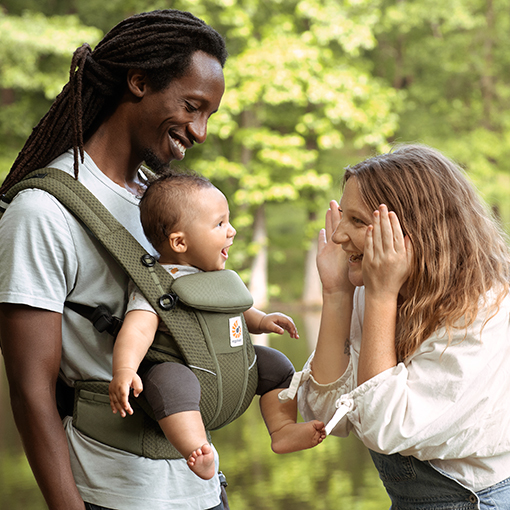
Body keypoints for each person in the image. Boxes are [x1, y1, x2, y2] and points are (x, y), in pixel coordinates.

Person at [0, 9, 236, 510]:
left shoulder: (163, 204)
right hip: (115, 496)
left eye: (209, 114)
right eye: (192, 106)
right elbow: (29, 390)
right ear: (138, 82)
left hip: (203, 492)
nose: (201, 131)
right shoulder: (44, 211)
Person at [295, 144, 510, 509]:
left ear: (415, 230)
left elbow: (385, 427)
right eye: (341, 217)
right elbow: (326, 415)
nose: (337, 236)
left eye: (358, 222)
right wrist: (336, 294)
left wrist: (380, 298)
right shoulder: (382, 287)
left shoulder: (485, 310)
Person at [108, 172, 326, 480]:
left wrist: (262, 321)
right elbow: (138, 329)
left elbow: (236, 308)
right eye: (220, 224)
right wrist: (125, 370)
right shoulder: (158, 283)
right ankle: (197, 449)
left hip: (230, 367)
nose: (232, 231)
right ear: (180, 241)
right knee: (171, 382)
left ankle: (282, 429)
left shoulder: (217, 276)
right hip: (185, 369)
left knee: (277, 366)